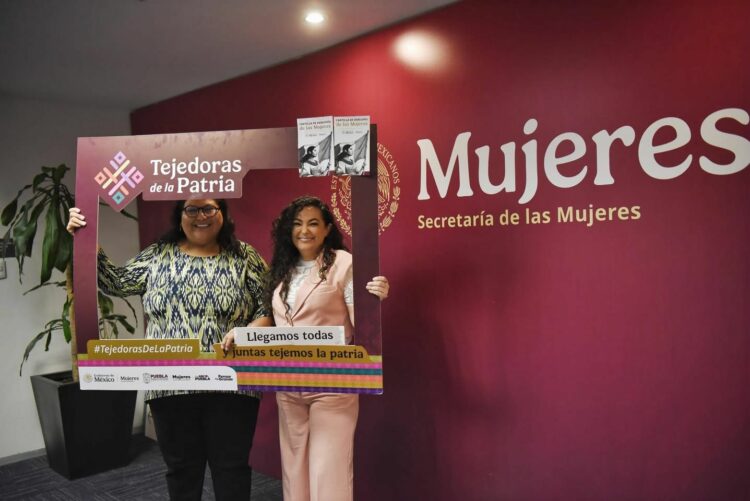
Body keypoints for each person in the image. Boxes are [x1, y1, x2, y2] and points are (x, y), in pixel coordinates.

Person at [67, 199, 271, 501]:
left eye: (209, 208)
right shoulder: (157, 255)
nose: (201, 216)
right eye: (192, 209)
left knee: (232, 469)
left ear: (223, 214)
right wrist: (84, 238)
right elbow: (116, 283)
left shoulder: (245, 256)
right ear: (180, 215)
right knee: (182, 471)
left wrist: (251, 330)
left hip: (233, 382)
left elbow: (268, 306)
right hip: (170, 384)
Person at [223, 195, 388, 501]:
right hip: (288, 382)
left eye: (313, 223)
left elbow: (362, 323)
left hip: (332, 384)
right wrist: (243, 334)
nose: (304, 231)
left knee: (328, 471)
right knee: (294, 469)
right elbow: (274, 321)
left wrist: (374, 299)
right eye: (297, 224)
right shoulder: (282, 268)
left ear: (327, 229)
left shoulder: (344, 263)